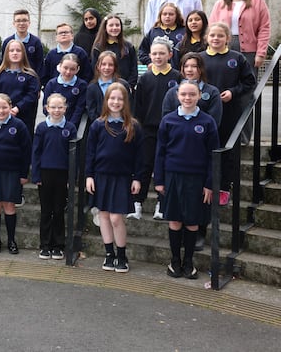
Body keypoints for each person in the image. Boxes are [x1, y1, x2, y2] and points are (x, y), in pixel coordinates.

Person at [154, 81, 218, 279]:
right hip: (173, 176)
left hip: (197, 180)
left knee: (192, 222)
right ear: (177, 96)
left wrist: (209, 183)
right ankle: (175, 261)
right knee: (174, 220)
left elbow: (212, 156)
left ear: (199, 95)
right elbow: (160, 152)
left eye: (192, 94)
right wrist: (159, 179)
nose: (187, 98)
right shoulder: (168, 120)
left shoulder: (207, 122)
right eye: (183, 94)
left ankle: (189, 262)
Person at [85, 82, 144, 273]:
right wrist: (89, 176)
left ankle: (121, 254)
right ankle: (109, 254)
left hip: (123, 178)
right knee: (103, 215)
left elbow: (139, 156)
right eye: (112, 98)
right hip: (101, 176)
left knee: (116, 217)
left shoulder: (133, 126)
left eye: (120, 99)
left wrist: (137, 178)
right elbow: (90, 153)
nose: (116, 102)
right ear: (106, 100)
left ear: (125, 101)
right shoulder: (97, 125)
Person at [199, 23, 256, 197]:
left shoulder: (237, 58)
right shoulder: (199, 58)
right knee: (203, 147)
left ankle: (224, 187)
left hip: (229, 111)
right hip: (204, 111)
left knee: (227, 150)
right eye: (212, 35)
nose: (216, 39)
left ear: (228, 39)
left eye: (220, 36)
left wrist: (233, 92)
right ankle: (203, 185)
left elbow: (249, 82)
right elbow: (189, 78)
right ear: (206, 38)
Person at [132, 37, 181, 221]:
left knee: (165, 167)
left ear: (170, 54)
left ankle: (162, 203)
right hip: (148, 130)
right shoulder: (145, 78)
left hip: (170, 130)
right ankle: (137, 202)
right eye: (154, 54)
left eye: (162, 53)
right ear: (149, 56)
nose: (158, 57)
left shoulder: (177, 77)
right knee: (144, 165)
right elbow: (139, 107)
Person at [0, 93, 31, 255]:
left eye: (5, 107)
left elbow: (26, 151)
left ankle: (11, 240)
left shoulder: (19, 125)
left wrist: (24, 173)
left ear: (10, 107)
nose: (1, 111)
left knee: (9, 205)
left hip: (12, 172)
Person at [32, 93, 77, 260]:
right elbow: (36, 153)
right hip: (45, 173)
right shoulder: (42, 128)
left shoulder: (70, 128)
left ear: (65, 109)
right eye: (53, 107)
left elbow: (73, 156)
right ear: (47, 108)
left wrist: (71, 178)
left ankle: (58, 245)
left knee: (59, 210)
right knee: (46, 211)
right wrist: (36, 175)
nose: (56, 110)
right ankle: (45, 245)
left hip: (62, 174)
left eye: (60, 107)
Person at [209, 0, 271, 73]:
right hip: (223, 47)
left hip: (249, 50)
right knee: (225, 80)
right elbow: (211, 28)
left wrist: (261, 53)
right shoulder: (219, 4)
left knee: (248, 81)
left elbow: (264, 29)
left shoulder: (258, 2)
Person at [0, 38, 40, 134]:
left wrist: (17, 108)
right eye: (11, 50)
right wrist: (2, 108)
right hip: (1, 115)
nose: (15, 53)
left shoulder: (30, 75)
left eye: (18, 50)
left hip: (23, 117)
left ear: (23, 53)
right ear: (6, 53)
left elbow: (32, 95)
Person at [91, 15, 138, 88]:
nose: (114, 28)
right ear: (105, 28)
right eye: (111, 25)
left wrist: (129, 86)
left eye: (117, 25)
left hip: (125, 88)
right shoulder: (98, 48)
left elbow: (134, 69)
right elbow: (95, 70)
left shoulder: (128, 47)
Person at [43, 53, 87, 129]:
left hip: (72, 124)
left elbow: (79, 108)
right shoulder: (51, 84)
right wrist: (54, 121)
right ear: (59, 66)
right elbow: (45, 106)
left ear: (77, 69)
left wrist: (70, 126)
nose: (68, 72)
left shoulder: (81, 85)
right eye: (65, 68)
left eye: (72, 69)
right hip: (53, 123)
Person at [86, 50, 131, 121]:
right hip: (100, 126)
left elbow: (128, 106)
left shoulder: (123, 85)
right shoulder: (91, 87)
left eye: (110, 65)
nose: (107, 67)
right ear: (98, 66)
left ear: (115, 67)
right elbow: (91, 111)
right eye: (103, 64)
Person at [2, 9, 44, 78]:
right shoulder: (7, 42)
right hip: (11, 80)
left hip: (31, 81)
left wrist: (38, 82)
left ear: (29, 22)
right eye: (18, 21)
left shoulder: (36, 42)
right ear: (14, 23)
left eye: (24, 20)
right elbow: (4, 63)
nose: (21, 23)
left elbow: (40, 65)